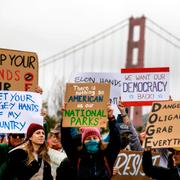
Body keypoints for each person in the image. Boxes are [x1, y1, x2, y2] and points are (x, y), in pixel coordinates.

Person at [59, 104, 121, 180]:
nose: (92, 140)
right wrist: (65, 119)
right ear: (83, 141)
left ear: (99, 140)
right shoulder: (77, 157)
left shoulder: (107, 156)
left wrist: (111, 118)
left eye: (95, 138)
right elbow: (66, 140)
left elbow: (116, 141)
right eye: (88, 138)